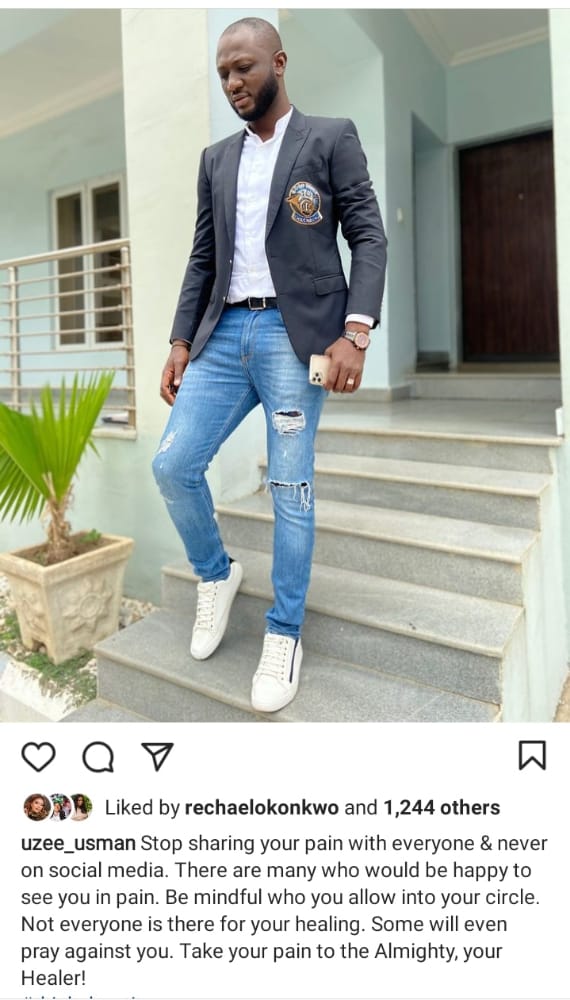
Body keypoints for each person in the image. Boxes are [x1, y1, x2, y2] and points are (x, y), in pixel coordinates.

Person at [153, 16, 387, 713]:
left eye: (244, 67)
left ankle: (284, 632)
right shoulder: (216, 159)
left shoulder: (330, 137)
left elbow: (367, 235)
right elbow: (203, 256)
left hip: (296, 337)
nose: (233, 82)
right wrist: (180, 340)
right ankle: (216, 574)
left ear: (278, 63)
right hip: (224, 335)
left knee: (289, 486)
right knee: (172, 464)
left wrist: (356, 331)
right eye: (224, 73)